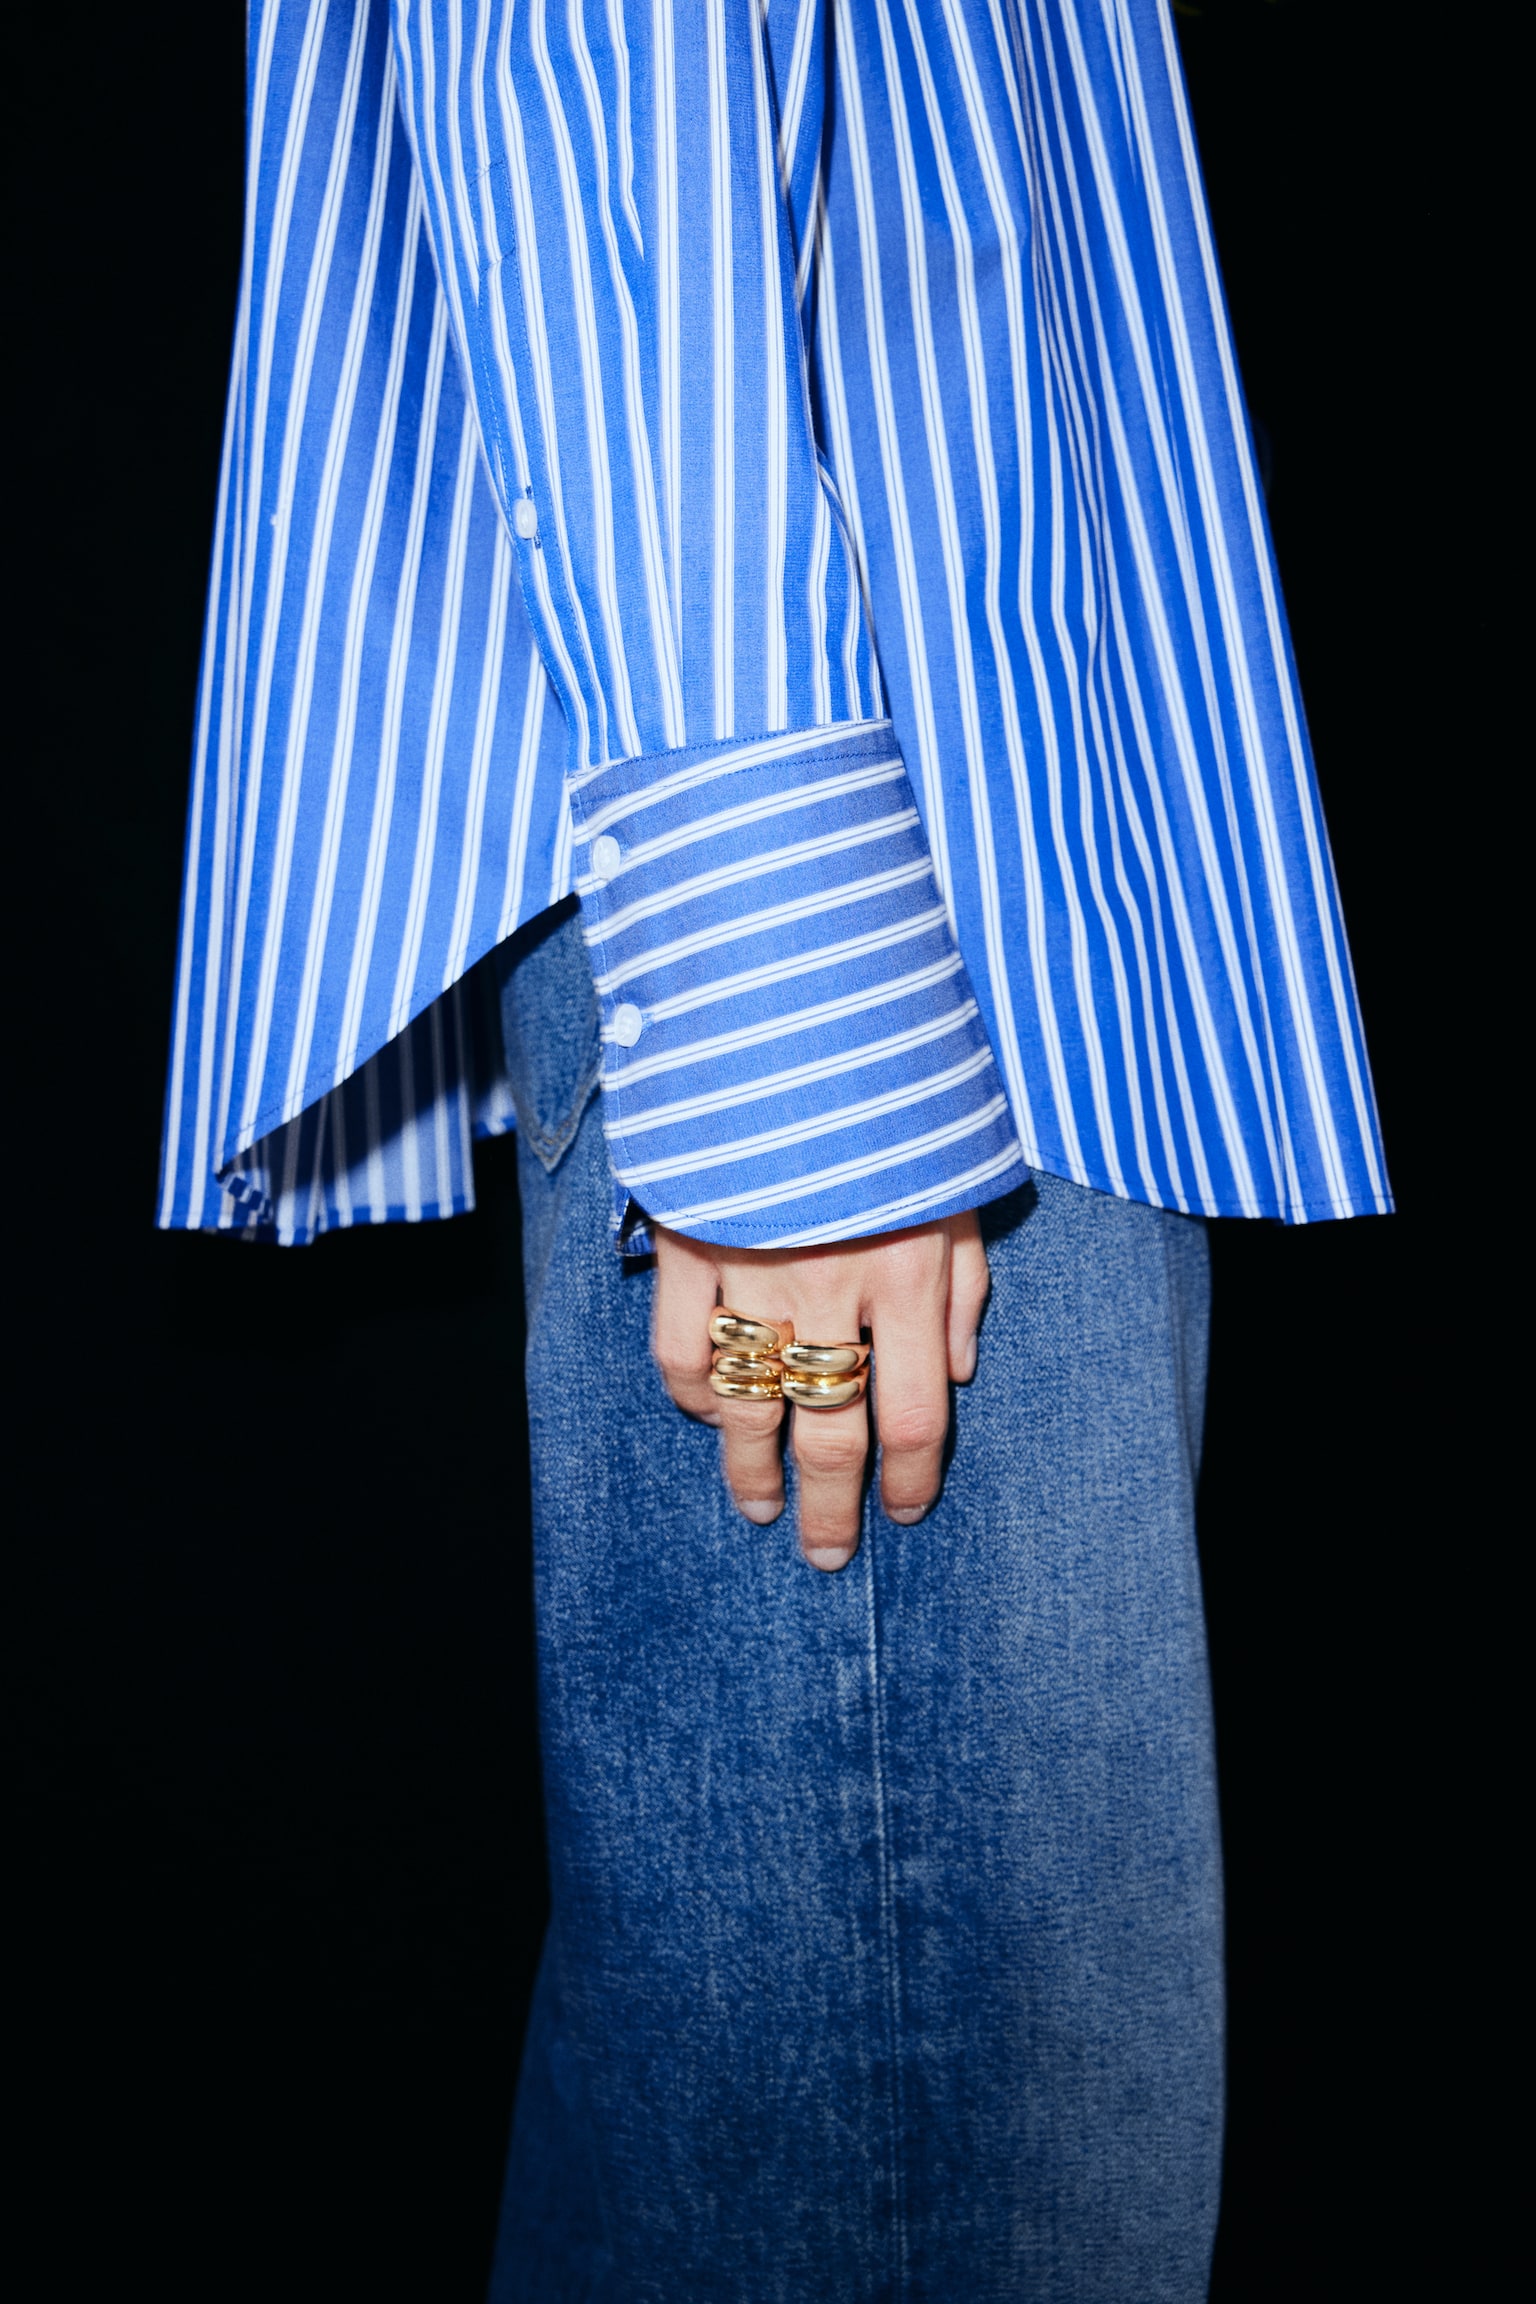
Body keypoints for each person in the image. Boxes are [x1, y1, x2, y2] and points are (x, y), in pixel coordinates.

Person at [158, 2, 1390, 2294]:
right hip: (885, 931)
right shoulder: (836, 984)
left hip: (998, 853)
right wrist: (781, 967)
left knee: (795, 2165)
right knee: (931, 2197)